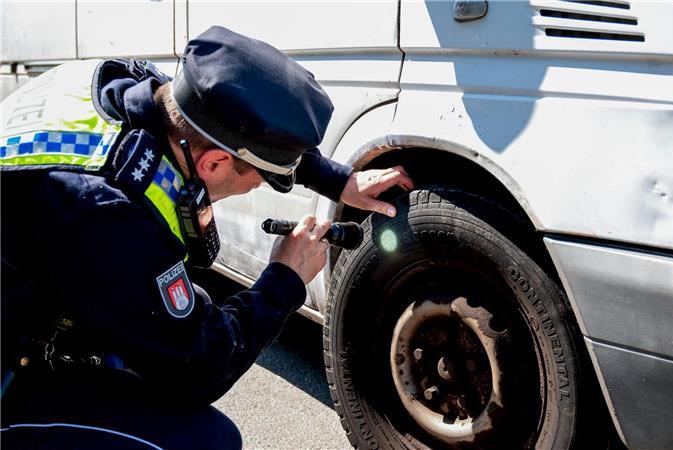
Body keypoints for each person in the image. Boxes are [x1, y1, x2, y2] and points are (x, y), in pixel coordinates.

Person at [0, 26, 413, 449]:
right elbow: (200, 366)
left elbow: (237, 129)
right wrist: (284, 279)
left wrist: (340, 181)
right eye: (266, 178)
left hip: (33, 280)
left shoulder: (127, 85)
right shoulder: (108, 214)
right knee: (205, 441)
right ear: (214, 163)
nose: (262, 185)